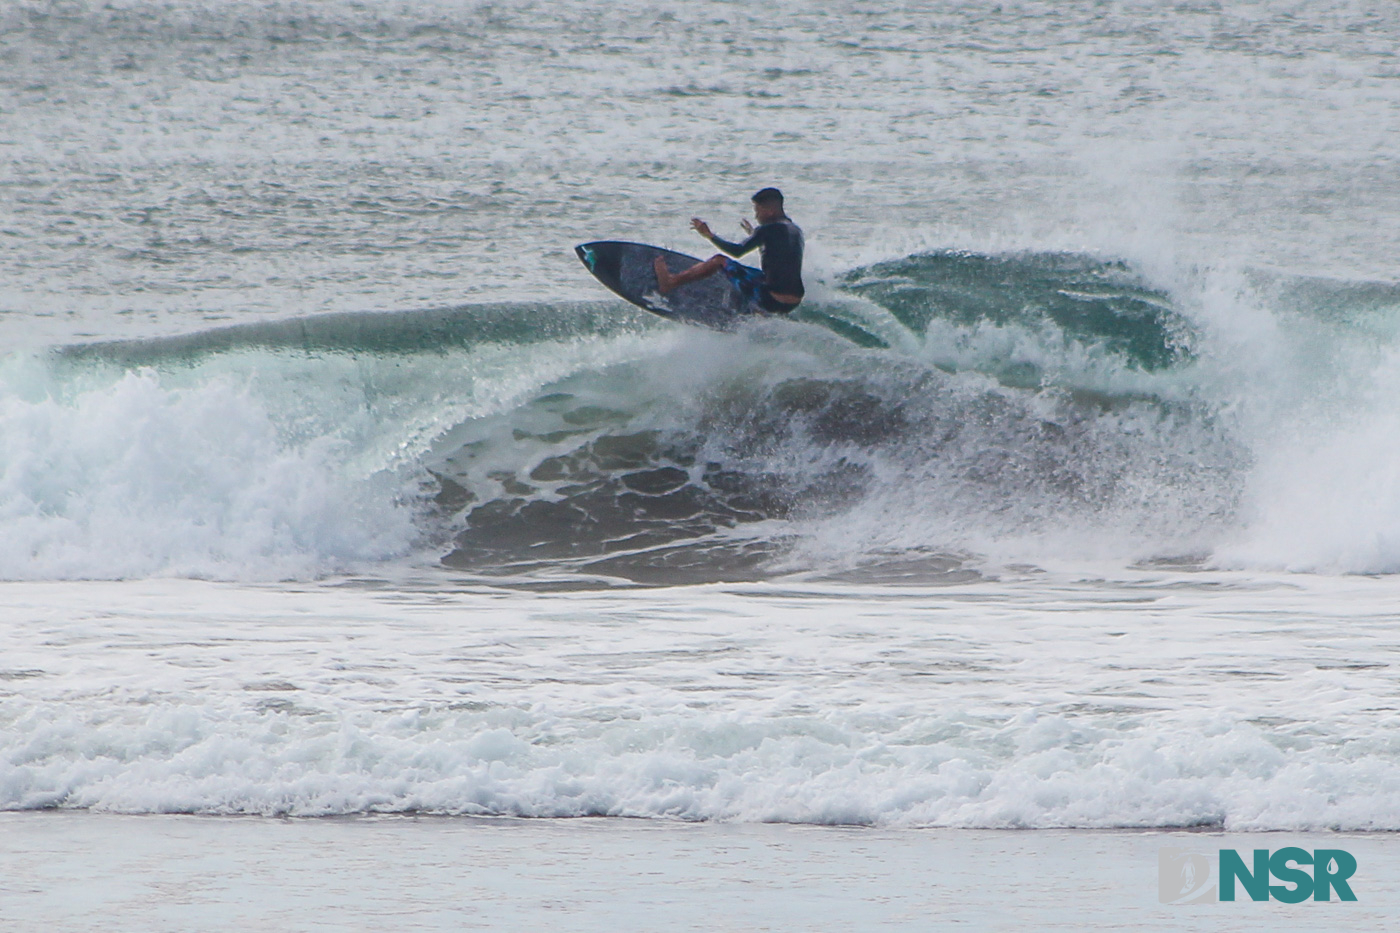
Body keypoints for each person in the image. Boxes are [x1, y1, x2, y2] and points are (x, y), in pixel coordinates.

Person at [653, 187, 804, 313]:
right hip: (792, 303)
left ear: (770, 211)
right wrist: (754, 235)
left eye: (757, 211)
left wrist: (710, 236)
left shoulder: (767, 229)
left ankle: (671, 282)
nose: (756, 215)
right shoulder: (795, 231)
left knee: (719, 261)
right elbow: (776, 255)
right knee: (756, 276)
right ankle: (758, 313)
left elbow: (737, 252)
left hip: (771, 299)